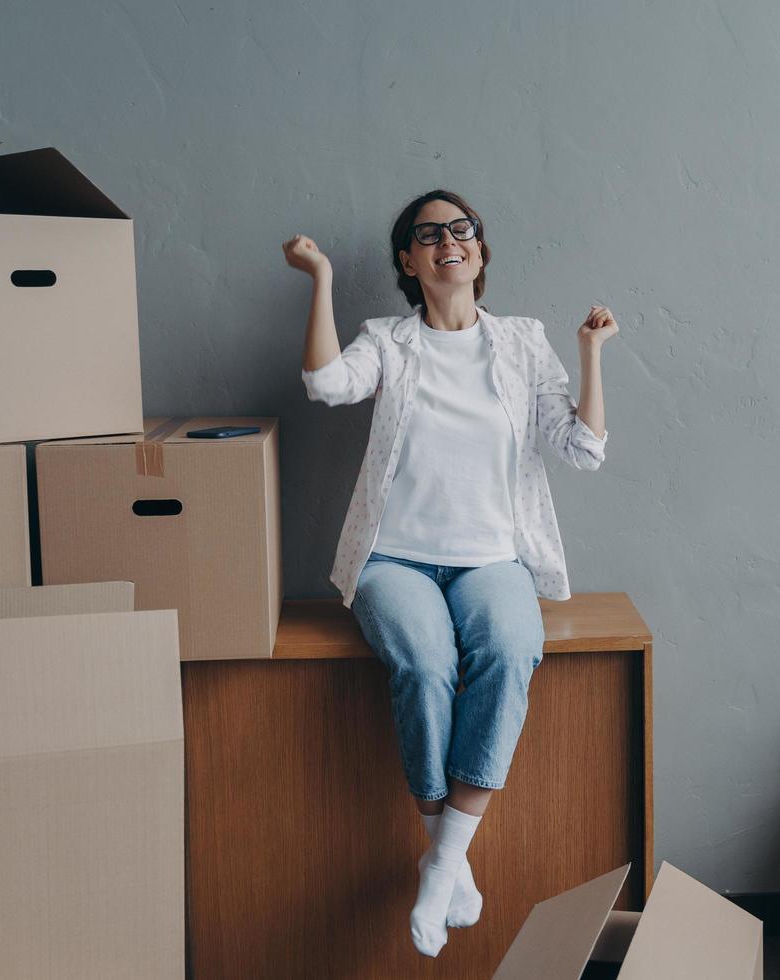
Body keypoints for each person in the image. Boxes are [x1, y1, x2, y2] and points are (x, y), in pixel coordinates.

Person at [282, 190, 618, 958]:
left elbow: (583, 449)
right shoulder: (389, 342)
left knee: (509, 650)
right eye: (427, 235)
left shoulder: (525, 343)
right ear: (408, 260)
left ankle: (441, 863)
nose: (447, 243)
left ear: (480, 251)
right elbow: (326, 385)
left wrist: (591, 355)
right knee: (424, 662)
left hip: (491, 557)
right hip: (394, 557)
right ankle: (448, 857)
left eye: (460, 230)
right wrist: (322, 278)